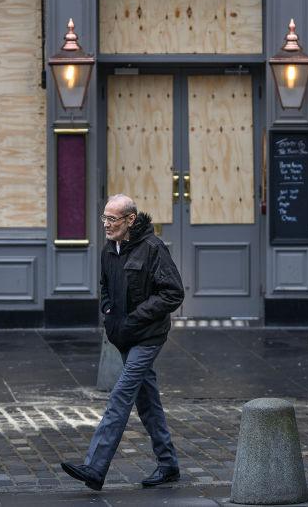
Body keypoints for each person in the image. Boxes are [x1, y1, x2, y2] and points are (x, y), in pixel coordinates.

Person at [60, 194, 185, 491]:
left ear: (130, 220)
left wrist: (135, 318)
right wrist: (108, 313)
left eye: (112, 219)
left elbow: (173, 293)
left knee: (120, 395)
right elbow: (105, 286)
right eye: (104, 218)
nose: (106, 224)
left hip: (148, 335)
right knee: (148, 402)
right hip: (124, 336)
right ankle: (168, 465)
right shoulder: (109, 250)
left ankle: (95, 467)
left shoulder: (153, 248)